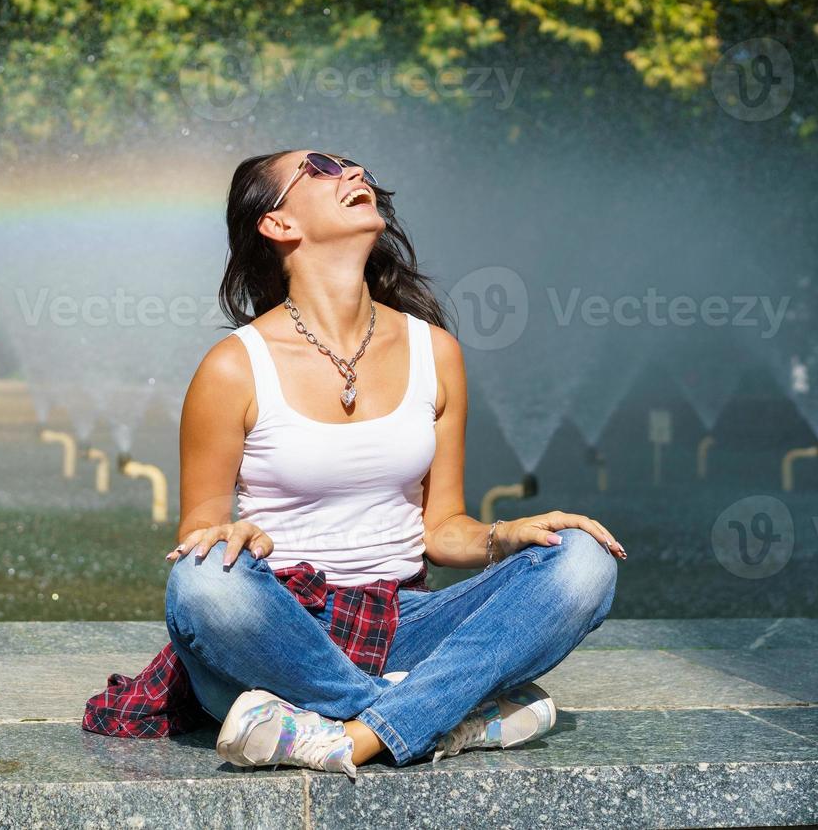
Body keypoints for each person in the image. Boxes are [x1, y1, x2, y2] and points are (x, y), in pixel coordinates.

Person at [164, 149, 625, 778]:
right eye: (321, 168)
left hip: (404, 623)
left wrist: (503, 536)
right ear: (277, 225)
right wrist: (233, 535)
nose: (353, 173)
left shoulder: (435, 351)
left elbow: (442, 529)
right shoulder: (232, 366)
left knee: (582, 558)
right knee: (202, 582)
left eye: (354, 164)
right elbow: (201, 532)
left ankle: (348, 735)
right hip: (284, 633)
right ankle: (444, 715)